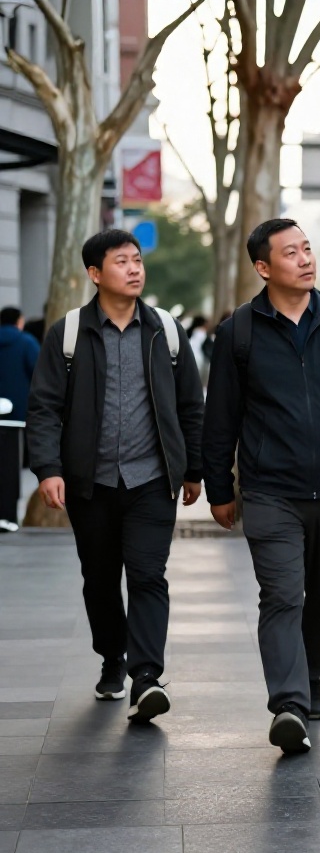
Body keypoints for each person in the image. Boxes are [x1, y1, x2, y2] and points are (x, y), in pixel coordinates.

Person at [203, 218, 320, 754]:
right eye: (292, 252)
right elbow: (220, 418)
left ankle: (311, 679)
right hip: (270, 491)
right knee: (282, 596)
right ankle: (288, 705)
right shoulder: (239, 331)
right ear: (264, 268)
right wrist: (221, 488)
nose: (306, 259)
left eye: (308, 248)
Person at [27, 230, 204, 720]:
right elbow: (43, 408)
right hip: (91, 483)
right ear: (94, 273)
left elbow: (191, 404)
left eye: (138, 260)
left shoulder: (165, 330)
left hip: (152, 481)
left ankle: (146, 676)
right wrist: (49, 469)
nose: (134, 269)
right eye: (121, 261)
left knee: (149, 575)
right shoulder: (68, 334)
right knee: (100, 579)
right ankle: (112, 656)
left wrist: (194, 468)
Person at [0, 306, 37, 530]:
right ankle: (9, 516)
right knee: (14, 466)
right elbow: (40, 372)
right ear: (19, 321)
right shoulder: (26, 342)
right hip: (17, 416)